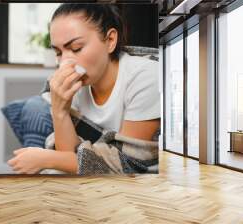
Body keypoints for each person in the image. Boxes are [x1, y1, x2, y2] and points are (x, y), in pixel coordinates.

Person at [8, 3, 160, 174]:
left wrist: (46, 158)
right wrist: (60, 111)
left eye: (76, 48)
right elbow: (69, 159)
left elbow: (128, 163)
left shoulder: (146, 76)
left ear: (110, 41)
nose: (65, 62)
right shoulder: (78, 86)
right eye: (58, 53)